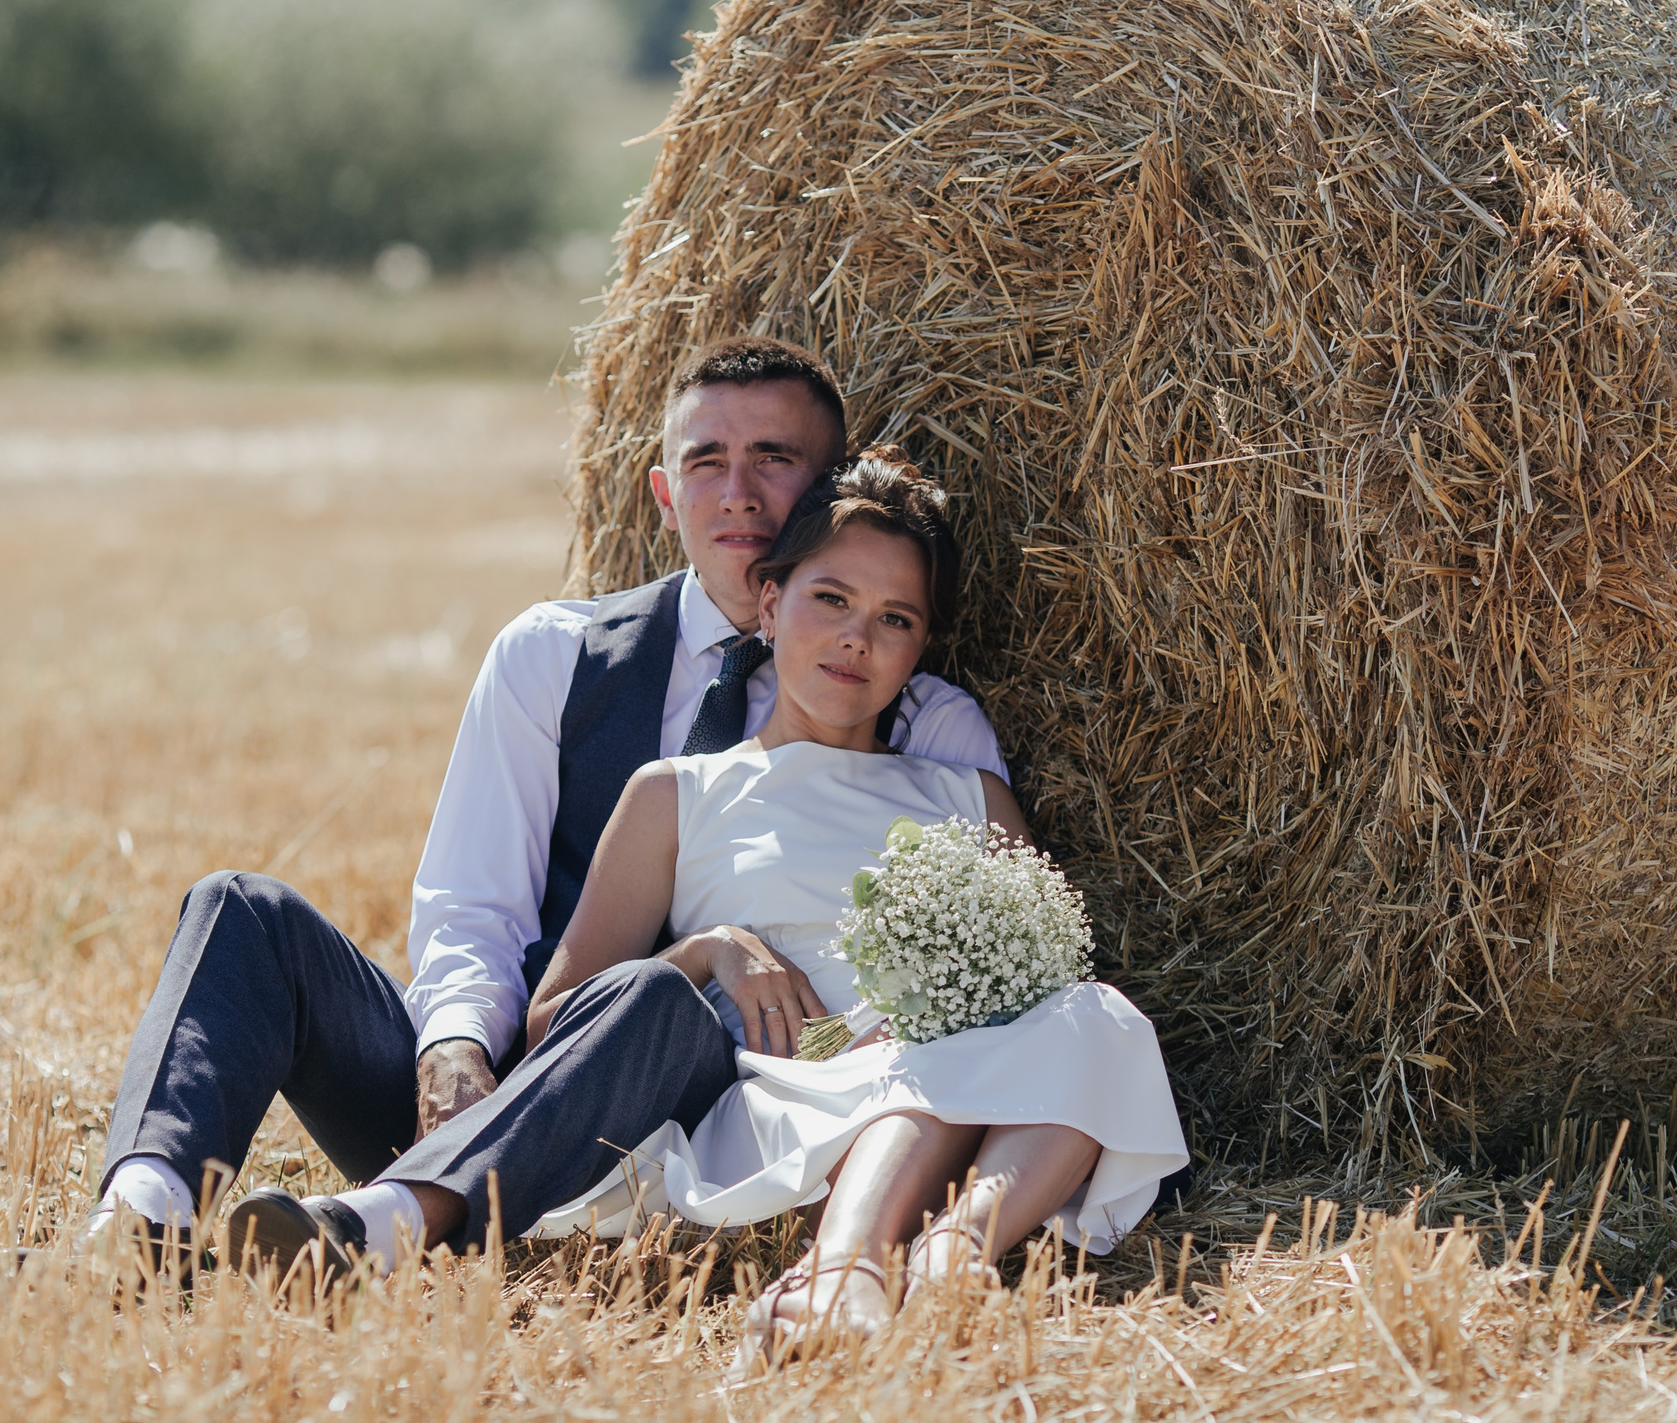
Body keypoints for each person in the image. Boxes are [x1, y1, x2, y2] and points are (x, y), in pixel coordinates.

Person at [70, 336, 1007, 1277]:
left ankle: (387, 1225)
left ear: (827, 488)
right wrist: (454, 1049)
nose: (738, 492)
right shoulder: (551, 655)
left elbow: (985, 962)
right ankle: (137, 1222)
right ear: (662, 491)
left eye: (775, 458)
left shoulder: (917, 725)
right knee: (244, 911)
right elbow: (475, 903)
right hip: (497, 1078)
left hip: (691, 1127)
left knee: (655, 993)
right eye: (705, 461)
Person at [494, 449, 1184, 1360]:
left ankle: (948, 1260)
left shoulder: (967, 796)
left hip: (940, 1069)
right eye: (831, 599)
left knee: (1097, 1015)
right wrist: (709, 950)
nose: (858, 636)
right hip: (788, 1089)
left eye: (894, 618)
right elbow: (555, 1028)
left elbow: (1048, 1003)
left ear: (919, 648)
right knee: (931, 1057)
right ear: (770, 603)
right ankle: (845, 1268)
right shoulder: (681, 793)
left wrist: (939, 1023)